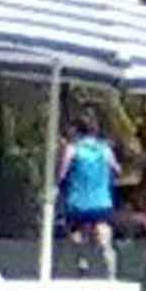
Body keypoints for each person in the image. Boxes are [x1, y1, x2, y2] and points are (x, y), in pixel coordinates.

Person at [54, 114, 121, 272]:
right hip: (101, 201)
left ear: (77, 131)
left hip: (78, 202)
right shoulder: (105, 150)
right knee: (103, 231)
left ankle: (82, 260)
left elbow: (61, 174)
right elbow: (117, 170)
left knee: (76, 232)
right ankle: (110, 268)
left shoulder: (72, 149)